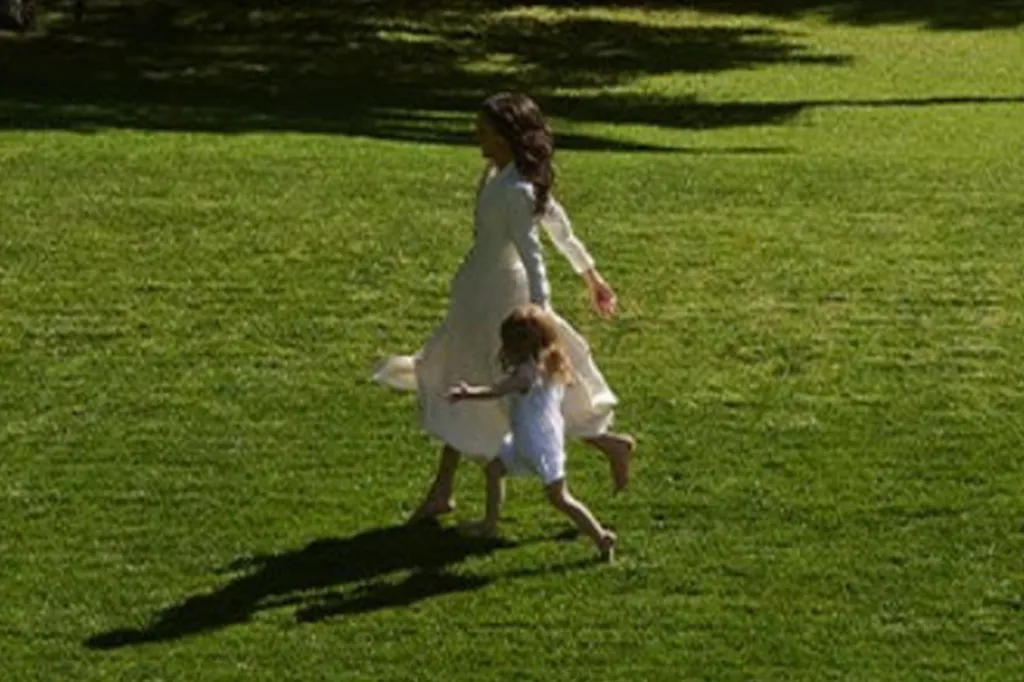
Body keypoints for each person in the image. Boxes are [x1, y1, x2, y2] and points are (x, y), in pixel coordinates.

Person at [373, 91, 635, 522]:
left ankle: (609, 444)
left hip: (500, 302)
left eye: (485, 131)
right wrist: (591, 276)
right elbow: (557, 225)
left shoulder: (513, 190)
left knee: (515, 394)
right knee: (469, 379)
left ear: (506, 136)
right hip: (477, 297)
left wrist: (543, 315)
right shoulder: (498, 178)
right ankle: (443, 489)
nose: (478, 137)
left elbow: (536, 253)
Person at [446, 304, 617, 561]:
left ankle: (601, 537)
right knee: (494, 470)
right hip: (535, 439)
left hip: (536, 445)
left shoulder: (525, 374)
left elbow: (498, 390)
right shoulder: (549, 362)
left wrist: (468, 393)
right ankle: (488, 524)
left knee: (560, 497)